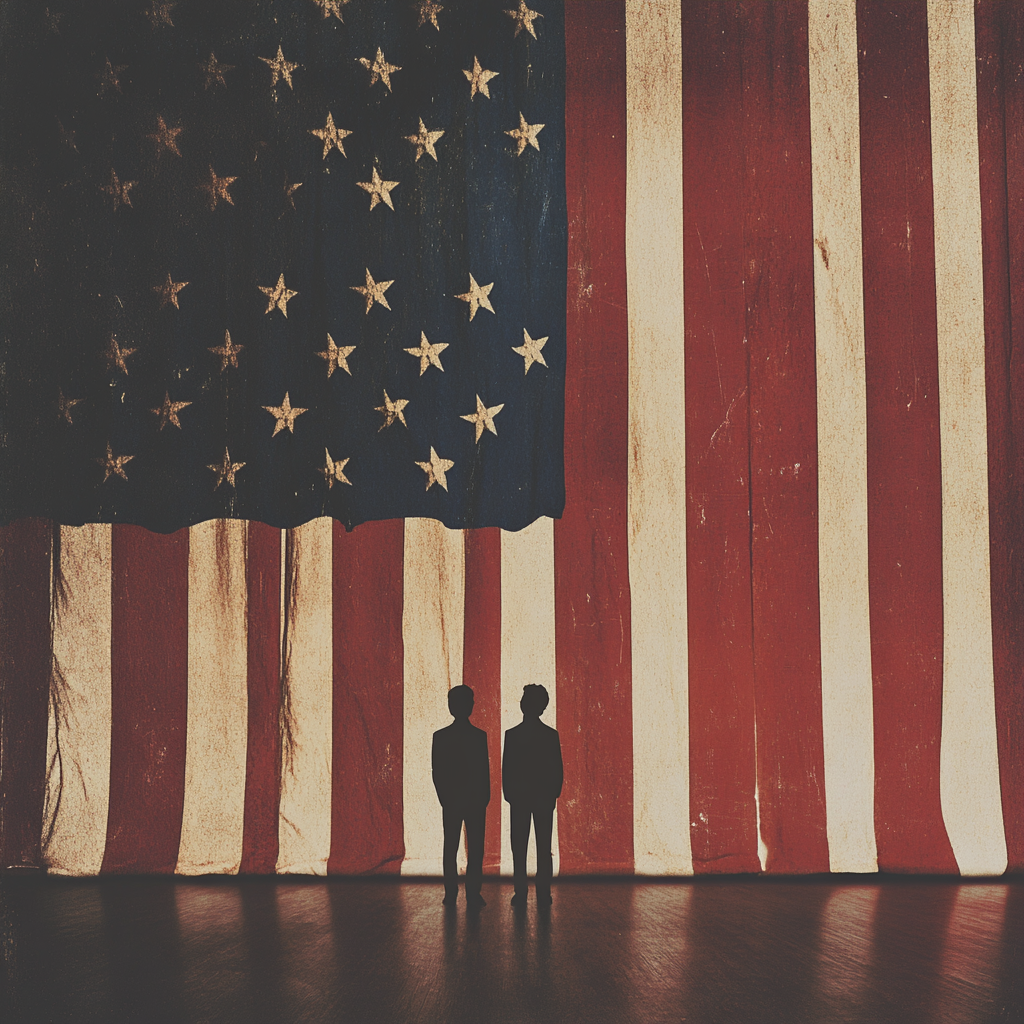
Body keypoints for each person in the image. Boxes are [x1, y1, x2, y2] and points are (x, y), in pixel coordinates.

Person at [502, 684, 563, 906]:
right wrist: (552, 794)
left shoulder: (513, 735)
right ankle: (543, 892)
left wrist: (510, 795)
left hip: (520, 797)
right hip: (542, 798)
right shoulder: (550, 735)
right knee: (542, 845)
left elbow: (507, 769)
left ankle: (521, 892)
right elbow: (557, 769)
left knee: (519, 846)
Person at [431, 684, 489, 907]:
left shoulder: (441, 737)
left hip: (453, 800)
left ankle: (451, 892)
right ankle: (473, 893)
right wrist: (484, 798)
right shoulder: (478, 736)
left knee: (451, 847)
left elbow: (438, 773)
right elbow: (483, 772)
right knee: (475, 849)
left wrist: (445, 799)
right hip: (474, 800)